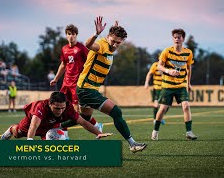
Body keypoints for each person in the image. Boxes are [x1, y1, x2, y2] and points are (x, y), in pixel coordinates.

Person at [76, 16, 147, 153]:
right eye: (113, 41)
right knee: (116, 111)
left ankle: (54, 127)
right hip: (86, 89)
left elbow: (114, 39)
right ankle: (132, 144)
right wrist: (97, 33)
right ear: (107, 36)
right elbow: (88, 45)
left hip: (87, 88)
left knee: (83, 118)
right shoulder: (102, 45)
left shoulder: (110, 45)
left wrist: (116, 28)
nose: (115, 45)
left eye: (118, 43)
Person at [50, 24, 103, 138]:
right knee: (62, 109)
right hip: (66, 84)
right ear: (66, 35)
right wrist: (56, 78)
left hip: (77, 84)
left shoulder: (81, 48)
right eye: (69, 34)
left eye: (73, 34)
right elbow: (63, 64)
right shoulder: (64, 49)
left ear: (76, 35)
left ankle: (96, 125)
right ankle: (64, 135)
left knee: (77, 112)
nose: (71, 36)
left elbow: (91, 62)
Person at [1, 92, 112, 140]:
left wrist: (98, 133)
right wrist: (30, 142)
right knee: (17, 134)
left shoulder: (68, 108)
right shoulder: (40, 107)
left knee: (55, 144)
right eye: (57, 108)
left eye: (62, 108)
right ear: (50, 104)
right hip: (31, 125)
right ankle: (11, 129)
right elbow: (33, 127)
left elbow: (83, 122)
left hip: (48, 127)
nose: (60, 111)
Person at [151, 28, 197, 141]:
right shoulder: (167, 51)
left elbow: (189, 69)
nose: (177, 39)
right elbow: (159, 66)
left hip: (181, 85)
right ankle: (155, 131)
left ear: (183, 39)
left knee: (186, 106)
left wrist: (189, 83)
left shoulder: (188, 53)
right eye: (175, 37)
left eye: (179, 37)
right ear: (173, 39)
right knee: (162, 109)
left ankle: (189, 132)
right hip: (167, 86)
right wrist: (168, 71)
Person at [144, 59, 167, 125]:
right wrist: (146, 83)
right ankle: (155, 119)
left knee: (166, 105)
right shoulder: (155, 65)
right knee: (156, 103)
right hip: (157, 88)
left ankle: (159, 117)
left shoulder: (167, 65)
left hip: (166, 88)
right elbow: (149, 74)